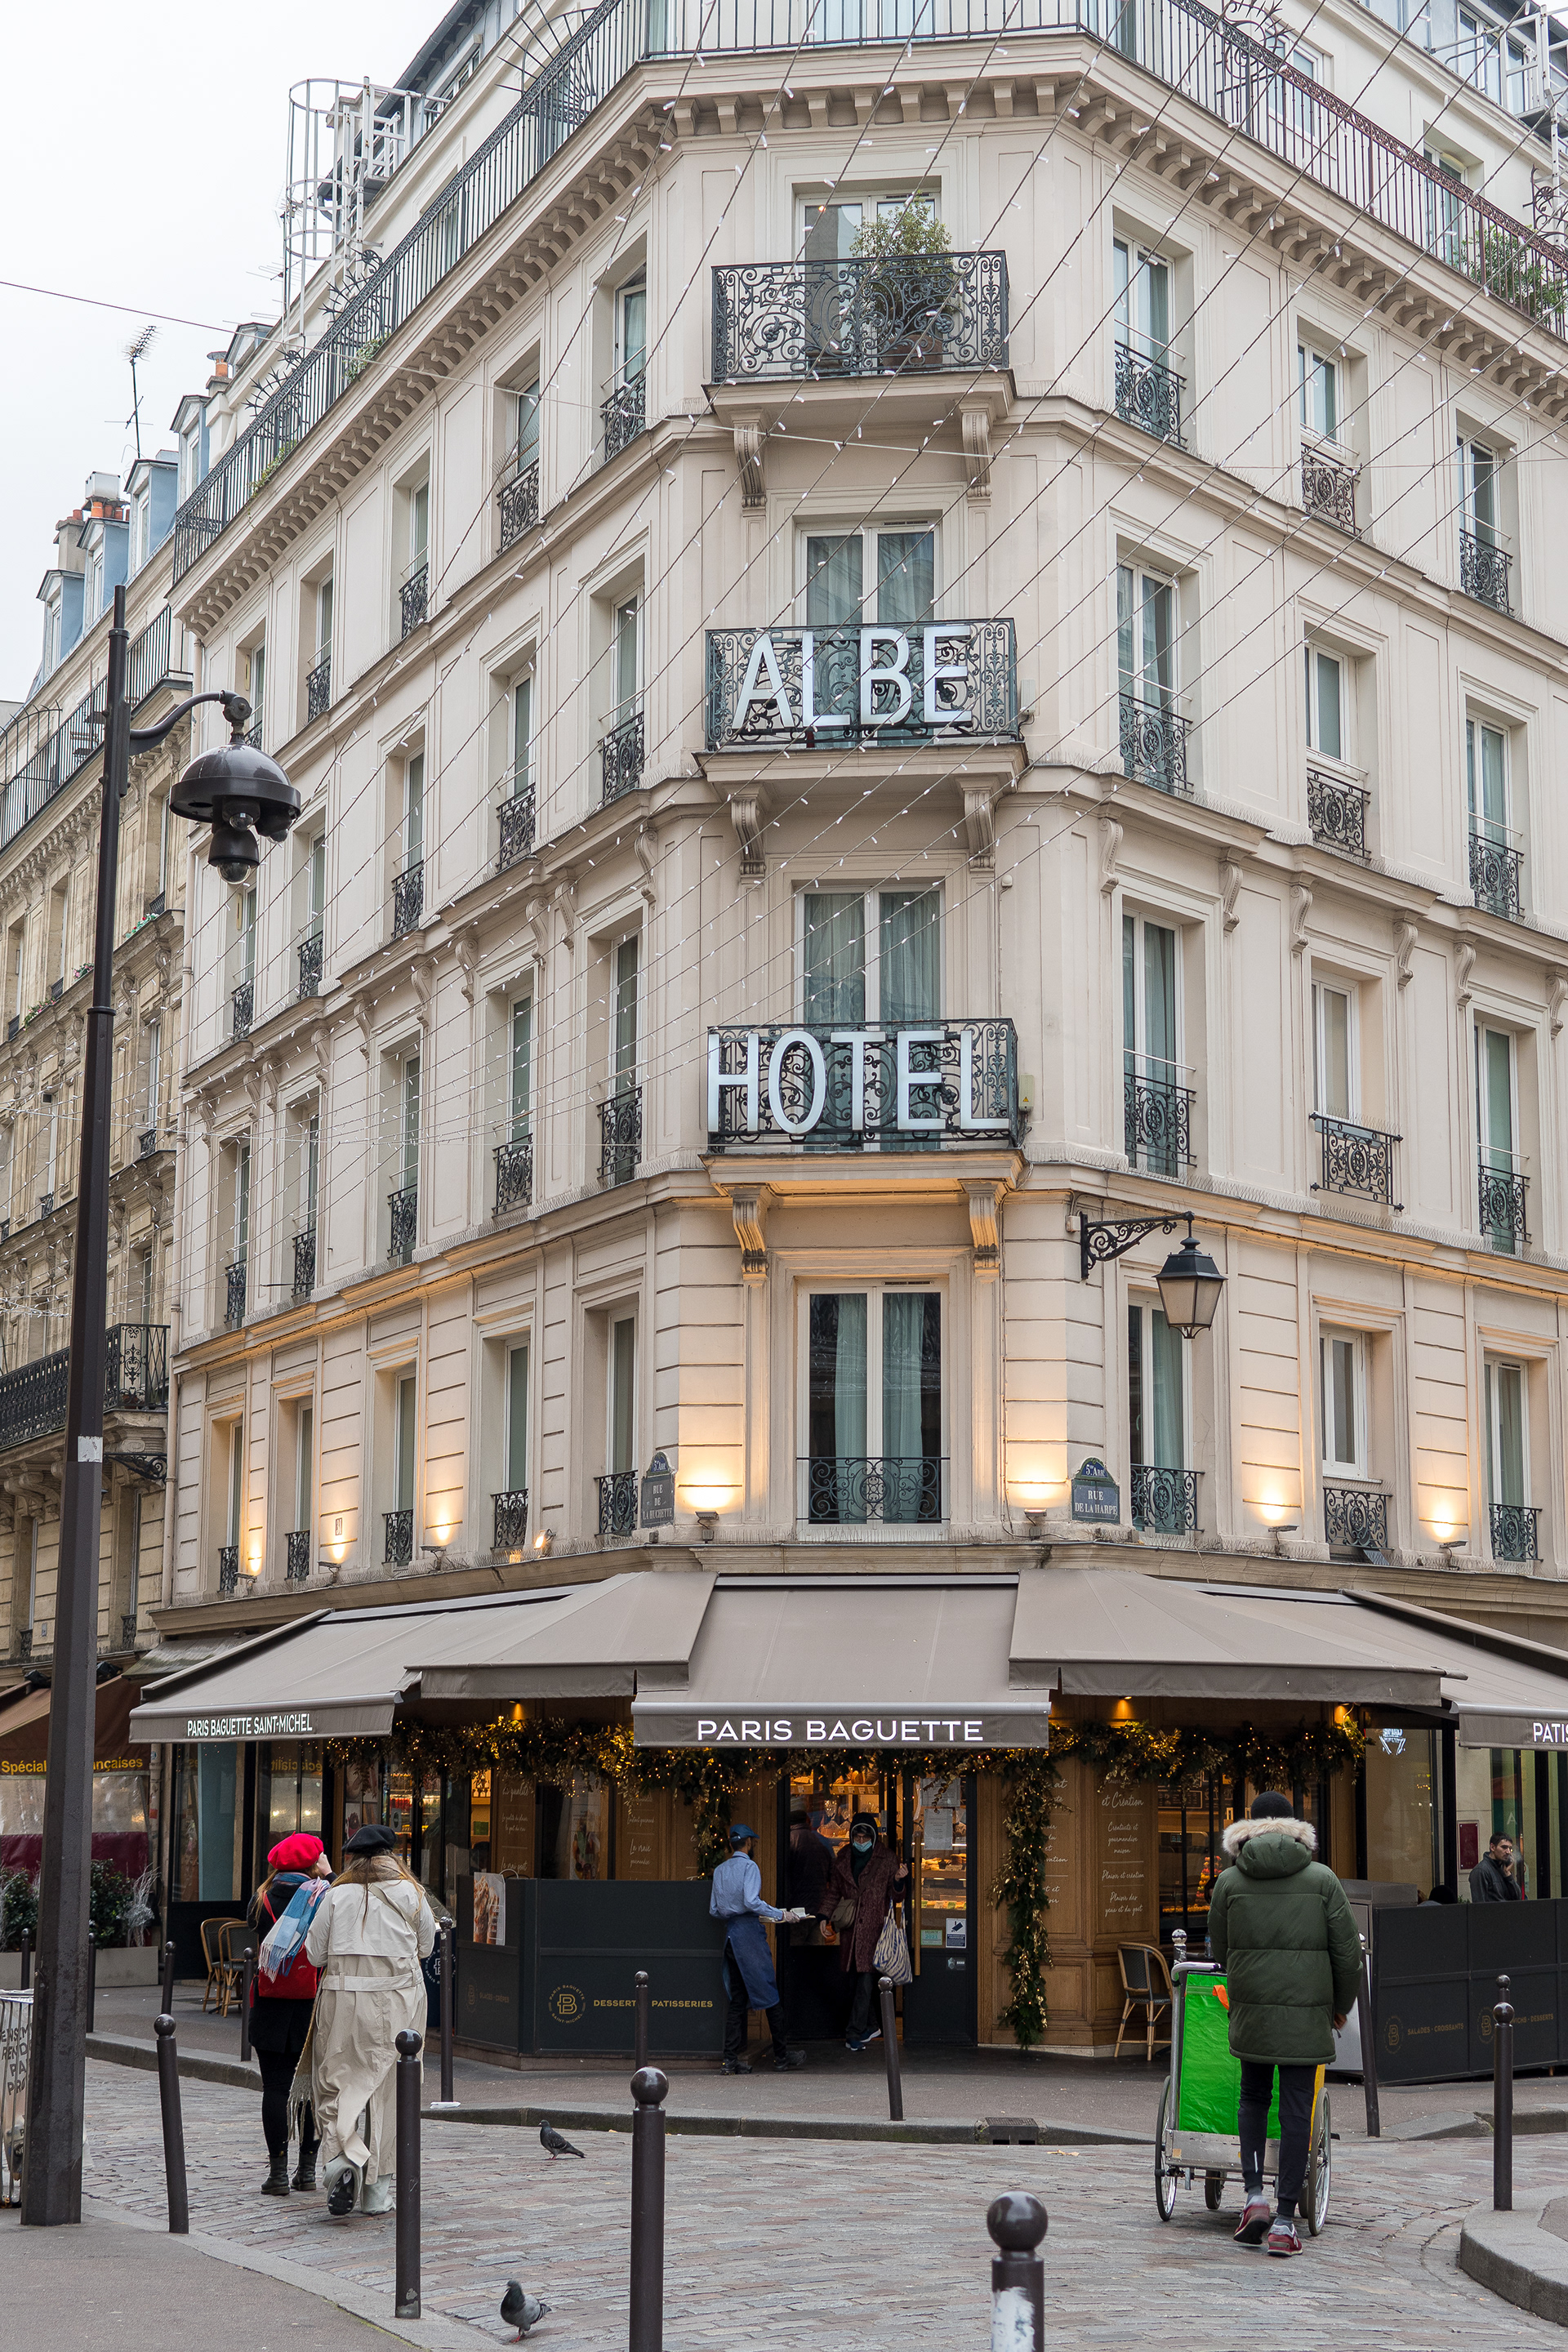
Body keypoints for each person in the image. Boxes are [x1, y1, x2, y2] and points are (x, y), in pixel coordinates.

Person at [1206, 1791, 1361, 2259]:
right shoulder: (1323, 1880)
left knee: (1253, 2098)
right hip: (1306, 2014)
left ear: (1248, 1828)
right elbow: (1347, 1956)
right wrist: (1339, 2006)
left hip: (1252, 2012)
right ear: (1297, 1828)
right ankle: (1285, 2221)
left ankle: (1254, 2197)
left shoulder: (1229, 1881)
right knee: (1297, 2110)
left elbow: (1219, 1951)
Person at [302, 1821, 436, 2217]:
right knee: (390, 2094)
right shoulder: (411, 1893)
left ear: (353, 1859)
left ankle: (343, 2160)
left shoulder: (335, 1895)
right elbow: (426, 1947)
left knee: (334, 2085)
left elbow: (314, 1954)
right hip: (399, 2003)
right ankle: (377, 2193)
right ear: (392, 1856)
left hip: (343, 2003)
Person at [247, 1831, 331, 2196]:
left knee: (275, 2088)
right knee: (310, 2088)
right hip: (312, 2005)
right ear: (314, 1863)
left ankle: (278, 2173)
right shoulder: (324, 1896)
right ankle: (307, 2171)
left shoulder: (262, 1899)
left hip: (270, 2004)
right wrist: (327, 1876)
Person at [710, 1822, 807, 2074]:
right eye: (753, 1841)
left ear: (732, 1844)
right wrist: (781, 1914)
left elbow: (714, 1910)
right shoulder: (750, 1867)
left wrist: (735, 1914)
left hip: (731, 1937)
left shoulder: (720, 1870)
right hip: (750, 1938)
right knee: (771, 1997)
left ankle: (729, 2061)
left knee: (737, 2000)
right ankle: (782, 2057)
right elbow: (752, 1901)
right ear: (749, 1843)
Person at [823, 1811, 909, 2053]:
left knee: (864, 1981)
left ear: (873, 1837)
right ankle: (871, 2026)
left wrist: (899, 1881)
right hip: (851, 1931)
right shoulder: (843, 1859)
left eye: (865, 1837)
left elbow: (897, 1897)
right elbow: (833, 1892)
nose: (861, 1841)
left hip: (875, 1930)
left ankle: (853, 2032)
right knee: (855, 1982)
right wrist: (823, 1916)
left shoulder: (887, 1859)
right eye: (857, 1837)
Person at [786, 1802, 836, 1924]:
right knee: (816, 1936)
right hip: (818, 1906)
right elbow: (833, 1875)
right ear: (807, 1820)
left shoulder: (788, 1840)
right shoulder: (823, 1841)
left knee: (797, 1935)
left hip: (795, 1908)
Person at [1469, 1829, 1523, 1902]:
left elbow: (1518, 1897)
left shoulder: (1504, 1869)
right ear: (1492, 1847)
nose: (1508, 1852)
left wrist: (1508, 1875)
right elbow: (1479, 1904)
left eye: (1510, 1848)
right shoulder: (1481, 1871)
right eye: (1504, 1847)